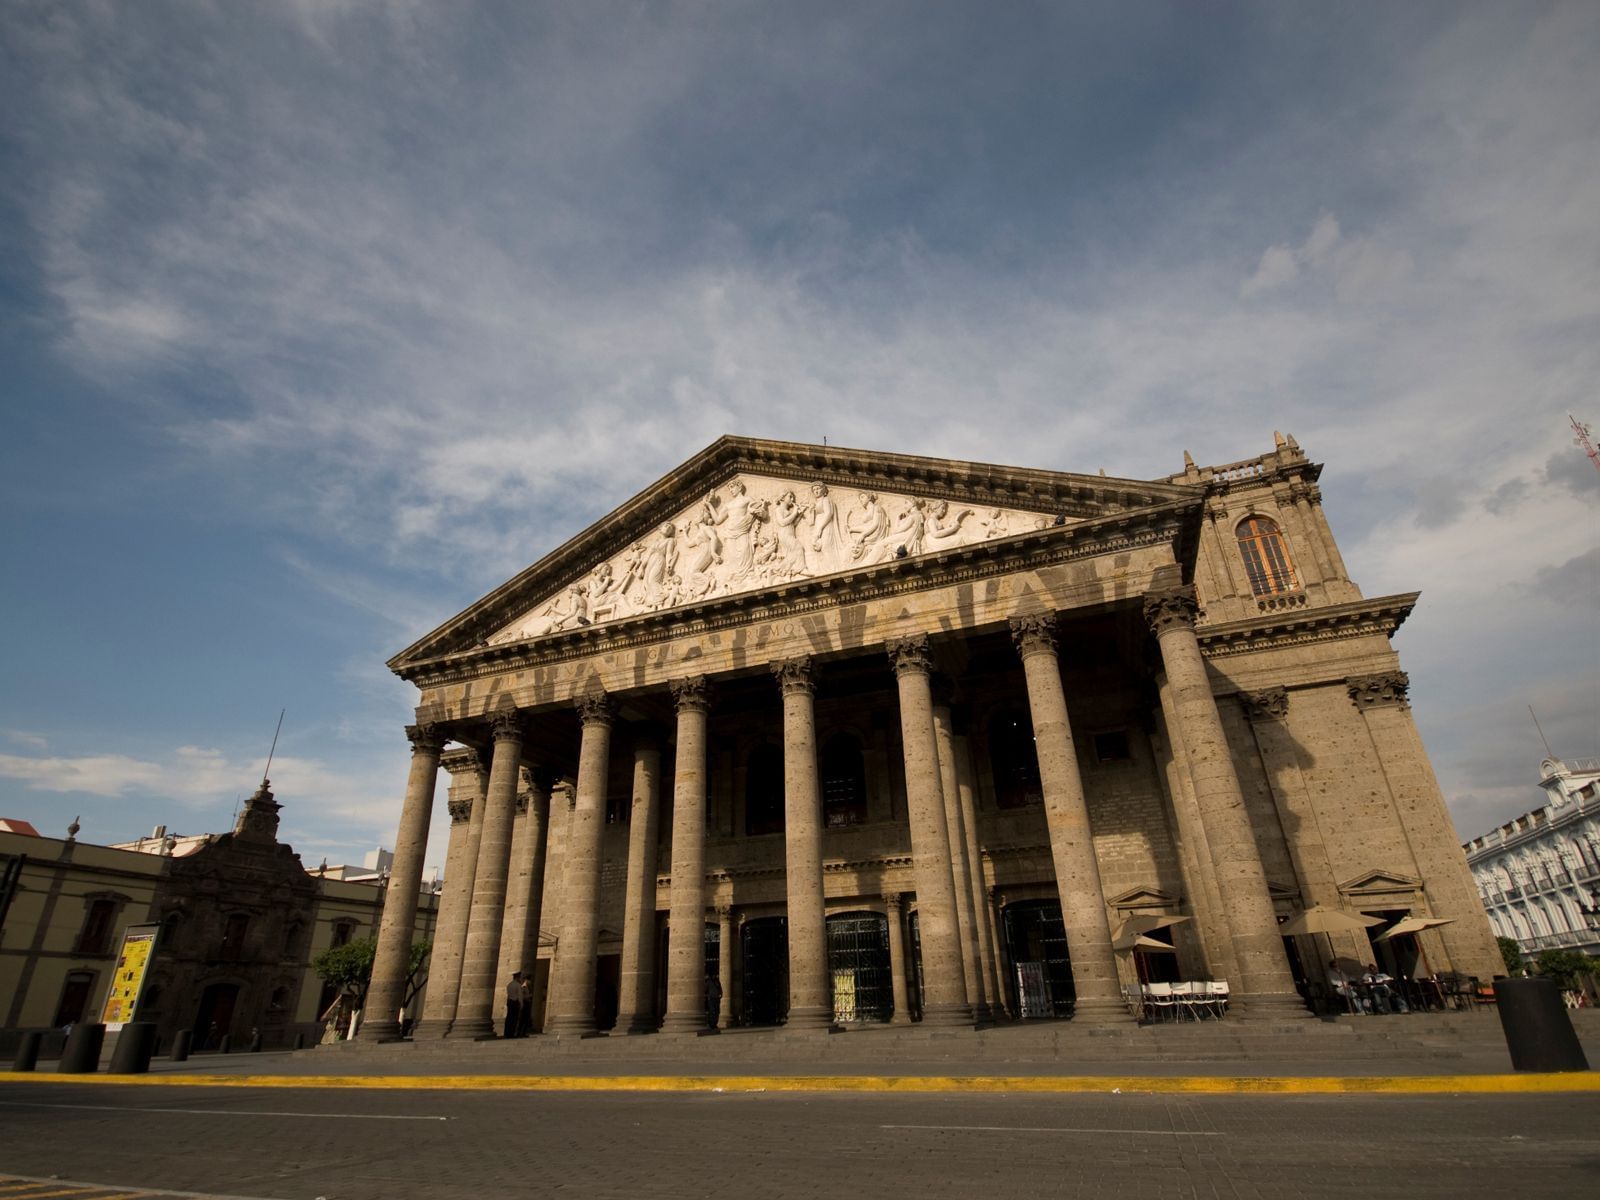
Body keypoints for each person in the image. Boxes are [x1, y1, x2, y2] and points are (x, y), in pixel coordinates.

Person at [504, 971, 523, 1039]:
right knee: (514, 1018)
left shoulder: (509, 984)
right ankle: (512, 1033)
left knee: (509, 1018)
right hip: (515, 1002)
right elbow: (520, 995)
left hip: (510, 1002)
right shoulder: (518, 985)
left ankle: (507, 1032)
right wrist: (521, 1004)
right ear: (517, 977)